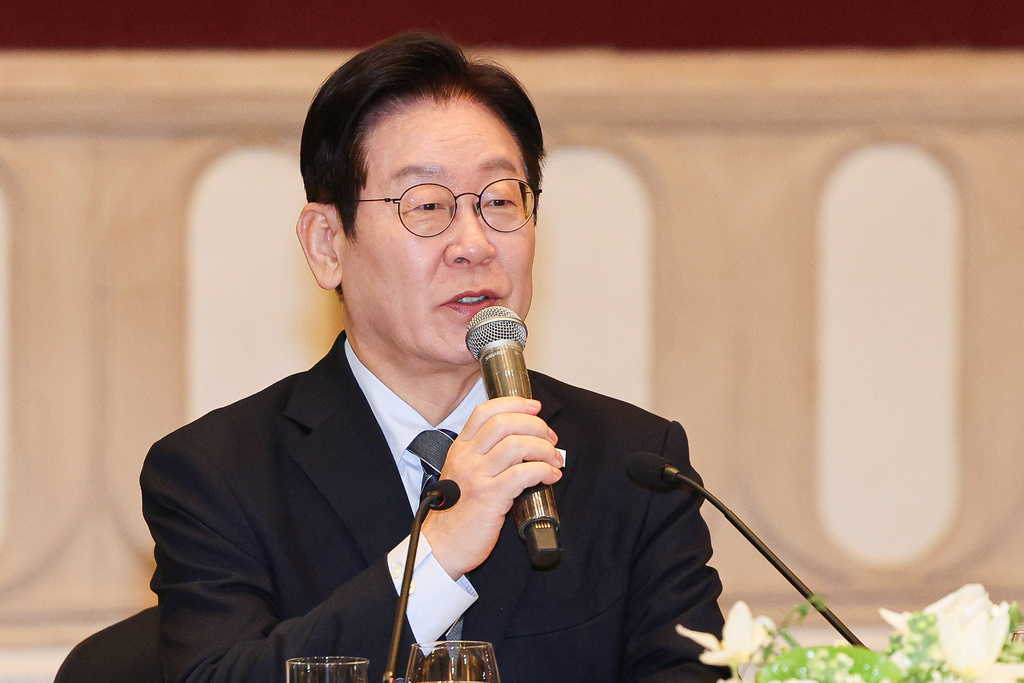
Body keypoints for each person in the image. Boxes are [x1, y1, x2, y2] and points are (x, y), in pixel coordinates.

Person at [141, 32, 725, 683]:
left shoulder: (637, 467)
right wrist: (437, 556)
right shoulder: (218, 474)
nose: (474, 243)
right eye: (427, 205)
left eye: (500, 201)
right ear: (327, 244)